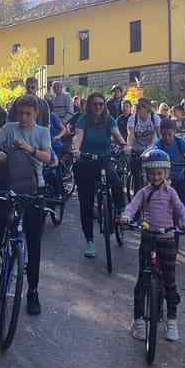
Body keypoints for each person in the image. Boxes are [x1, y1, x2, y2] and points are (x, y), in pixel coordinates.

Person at [0, 95, 54, 314]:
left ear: (36, 114)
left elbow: (48, 158)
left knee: (34, 243)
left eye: (28, 114)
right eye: (20, 113)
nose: (23, 117)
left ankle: (33, 292)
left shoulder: (42, 132)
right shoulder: (8, 128)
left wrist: (28, 148)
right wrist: (0, 154)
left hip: (35, 189)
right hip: (10, 185)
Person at [123, 148, 185, 343]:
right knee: (142, 281)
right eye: (152, 173)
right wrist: (127, 216)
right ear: (146, 174)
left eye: (159, 173)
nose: (155, 177)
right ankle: (138, 321)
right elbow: (132, 206)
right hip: (148, 239)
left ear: (166, 174)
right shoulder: (144, 192)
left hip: (167, 241)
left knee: (170, 282)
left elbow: (180, 209)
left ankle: (172, 321)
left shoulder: (171, 193)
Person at [70, 92, 126, 259]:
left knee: (116, 181)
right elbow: (78, 137)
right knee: (85, 203)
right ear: (89, 105)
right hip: (86, 162)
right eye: (95, 104)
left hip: (103, 160)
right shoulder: (83, 120)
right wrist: (76, 149)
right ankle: (90, 241)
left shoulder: (109, 120)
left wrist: (124, 145)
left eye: (101, 104)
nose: (98, 107)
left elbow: (117, 135)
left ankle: (120, 212)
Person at [125, 96, 160, 190]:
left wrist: (162, 147)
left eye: (139, 107)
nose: (137, 109)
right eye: (136, 107)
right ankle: (137, 193)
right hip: (137, 147)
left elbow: (159, 134)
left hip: (151, 147)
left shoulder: (154, 117)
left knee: (154, 170)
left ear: (146, 108)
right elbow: (131, 134)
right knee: (135, 172)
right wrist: (128, 147)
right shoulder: (133, 119)